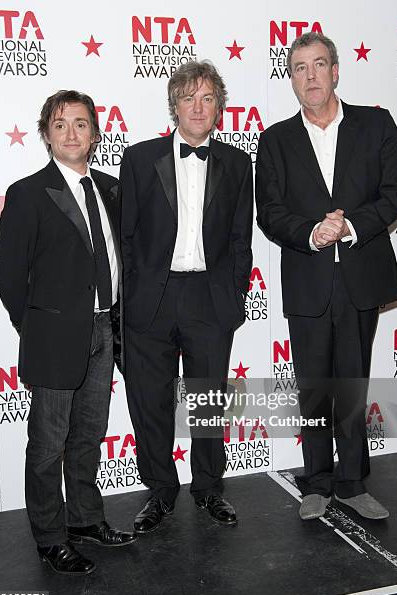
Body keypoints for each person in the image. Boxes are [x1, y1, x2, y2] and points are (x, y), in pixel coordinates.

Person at [256, 33, 397, 520]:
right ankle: (317, 483)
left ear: (336, 71)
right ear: (292, 79)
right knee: (314, 386)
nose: (311, 76)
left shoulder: (375, 124)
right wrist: (311, 233)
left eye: (319, 65)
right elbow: (270, 212)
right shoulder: (275, 139)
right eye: (300, 68)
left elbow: (396, 191)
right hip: (307, 278)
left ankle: (352, 482)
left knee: (352, 384)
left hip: (360, 274)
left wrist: (350, 226)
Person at [0, 90, 136, 575]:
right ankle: (50, 537)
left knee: (89, 436)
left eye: (81, 123)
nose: (72, 133)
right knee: (48, 442)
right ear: (47, 134)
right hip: (54, 337)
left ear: (95, 133)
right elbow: (9, 277)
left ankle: (85, 519)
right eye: (61, 125)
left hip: (105, 328)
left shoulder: (114, 189)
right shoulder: (28, 193)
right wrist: (36, 329)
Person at [119, 61, 253, 532]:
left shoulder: (238, 163)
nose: (198, 107)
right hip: (150, 301)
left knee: (209, 400)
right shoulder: (138, 159)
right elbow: (126, 238)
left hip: (210, 299)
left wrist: (234, 293)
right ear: (174, 105)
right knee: (149, 401)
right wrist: (131, 296)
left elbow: (241, 238)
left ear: (219, 107)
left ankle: (209, 488)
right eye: (188, 98)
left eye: (208, 98)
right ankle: (159, 491)